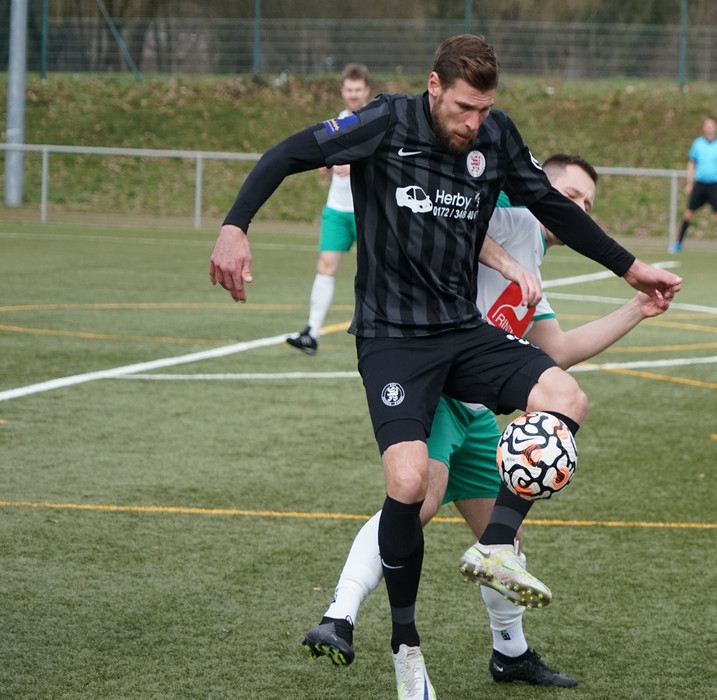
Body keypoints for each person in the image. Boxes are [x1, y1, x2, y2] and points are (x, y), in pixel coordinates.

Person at [208, 34, 682, 700]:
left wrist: (630, 270)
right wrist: (235, 226)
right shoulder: (384, 121)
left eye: (483, 110)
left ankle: (497, 547)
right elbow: (289, 152)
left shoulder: (496, 136)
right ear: (434, 87)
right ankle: (403, 644)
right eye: (464, 108)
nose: (473, 123)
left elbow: (550, 206)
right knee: (408, 485)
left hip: (462, 331)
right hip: (393, 338)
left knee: (566, 397)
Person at [302, 154, 671, 688]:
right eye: (570, 196)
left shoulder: (533, 260)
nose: (580, 210)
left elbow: (557, 350)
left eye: (588, 204)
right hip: (439, 389)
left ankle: (510, 654)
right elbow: (456, 198)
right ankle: (340, 614)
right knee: (416, 503)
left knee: (505, 538)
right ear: (538, 188)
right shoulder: (507, 215)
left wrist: (637, 308)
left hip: (477, 412)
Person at [287, 63, 372, 354]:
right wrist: (326, 163)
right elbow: (328, 155)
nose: (353, 94)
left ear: (366, 91)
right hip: (337, 209)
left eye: (358, 89)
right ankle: (311, 333)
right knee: (325, 266)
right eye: (349, 89)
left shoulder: (374, 121)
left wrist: (355, 165)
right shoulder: (339, 121)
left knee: (374, 273)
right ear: (342, 91)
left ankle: (382, 335)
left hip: (367, 211)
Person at [669, 115, 717, 255]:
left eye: (711, 125)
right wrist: (689, 183)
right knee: (688, 214)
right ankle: (678, 243)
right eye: (706, 125)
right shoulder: (698, 143)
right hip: (700, 185)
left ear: (716, 128)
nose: (709, 128)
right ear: (704, 128)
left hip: (714, 185)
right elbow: (692, 163)